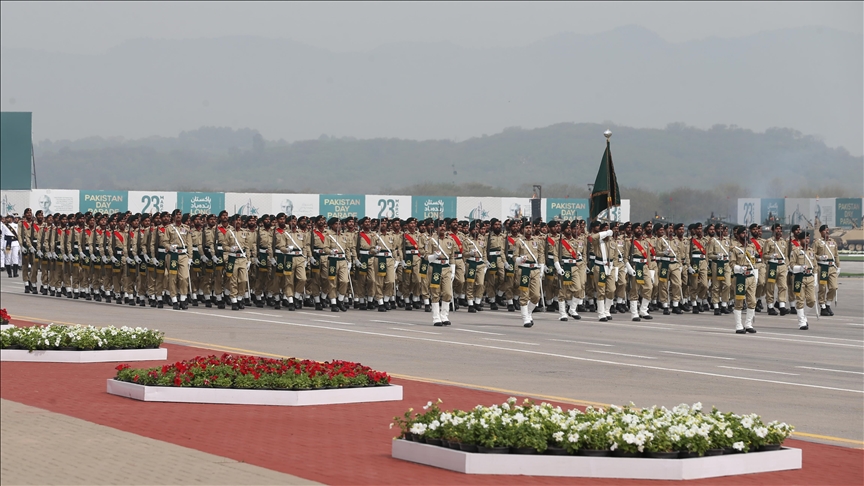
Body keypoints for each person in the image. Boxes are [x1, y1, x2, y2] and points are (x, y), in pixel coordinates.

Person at [512, 221, 544, 327]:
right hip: (524, 270)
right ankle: (525, 318)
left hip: (535, 269)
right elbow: (514, 257)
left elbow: (540, 254)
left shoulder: (537, 241)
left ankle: (529, 312)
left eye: (530, 227)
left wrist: (542, 267)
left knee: (536, 295)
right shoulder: (519, 242)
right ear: (522, 229)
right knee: (524, 295)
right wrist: (520, 259)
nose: (529, 229)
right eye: (526, 227)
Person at [426, 219, 455, 326]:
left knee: (447, 293)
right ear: (435, 228)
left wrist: (453, 270)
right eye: (440, 226)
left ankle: (444, 315)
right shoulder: (431, 240)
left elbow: (452, 256)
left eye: (444, 226)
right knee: (435, 293)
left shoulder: (450, 240)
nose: (442, 228)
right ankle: (436, 317)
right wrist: (434, 256)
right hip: (435, 267)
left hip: (446, 267)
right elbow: (426, 256)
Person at [729, 226, 758, 334]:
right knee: (739, 302)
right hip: (740, 276)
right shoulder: (735, 248)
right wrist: (740, 268)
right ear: (738, 235)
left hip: (751, 276)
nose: (745, 235)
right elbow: (731, 263)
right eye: (743, 233)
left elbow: (754, 261)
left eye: (746, 233)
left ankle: (748, 324)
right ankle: (738, 325)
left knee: (752, 301)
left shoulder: (752, 247)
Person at [788, 229, 816, 330]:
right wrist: (799, 267)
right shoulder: (795, 251)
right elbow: (791, 265)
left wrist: (815, 277)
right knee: (800, 300)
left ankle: (804, 316)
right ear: (800, 240)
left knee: (811, 300)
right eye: (805, 238)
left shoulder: (811, 251)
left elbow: (815, 265)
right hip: (799, 277)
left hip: (810, 277)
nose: (807, 240)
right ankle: (801, 322)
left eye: (808, 238)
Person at [628, 222, 654, 321]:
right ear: (633, 230)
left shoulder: (646, 242)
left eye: (640, 228)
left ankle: (643, 310)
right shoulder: (629, 242)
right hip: (635, 266)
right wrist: (629, 268)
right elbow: (626, 257)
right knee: (634, 289)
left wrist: (650, 269)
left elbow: (648, 257)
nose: (639, 230)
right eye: (637, 228)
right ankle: (634, 313)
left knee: (649, 288)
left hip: (644, 267)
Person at [763, 223, 790, 316]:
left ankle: (781, 305)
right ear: (773, 231)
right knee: (770, 287)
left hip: (782, 265)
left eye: (780, 229)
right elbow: (764, 255)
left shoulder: (783, 242)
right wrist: (771, 256)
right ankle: (770, 306)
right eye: (777, 229)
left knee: (783, 286)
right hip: (772, 266)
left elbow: (786, 255)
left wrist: (787, 265)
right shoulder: (769, 241)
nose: (779, 231)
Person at [813, 224, 839, 316]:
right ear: (821, 232)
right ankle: (823, 307)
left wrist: (838, 266)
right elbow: (812, 255)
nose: (827, 231)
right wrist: (820, 257)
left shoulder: (833, 242)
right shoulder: (817, 242)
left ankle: (828, 304)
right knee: (822, 288)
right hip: (822, 267)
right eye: (825, 230)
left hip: (832, 267)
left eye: (828, 230)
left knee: (834, 287)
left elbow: (836, 255)